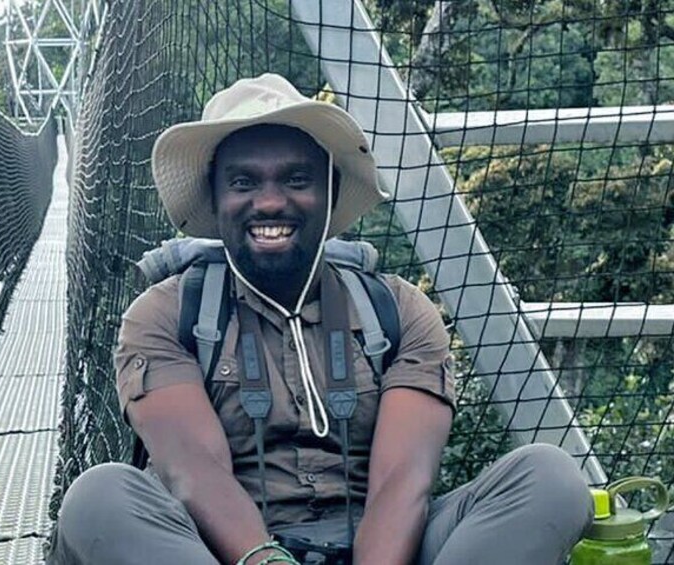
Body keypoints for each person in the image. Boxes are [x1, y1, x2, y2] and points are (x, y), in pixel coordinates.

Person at [47, 74, 593, 565]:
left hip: (386, 545)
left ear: (329, 192)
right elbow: (195, 472)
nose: (269, 202)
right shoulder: (165, 314)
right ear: (214, 199)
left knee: (548, 477)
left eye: (296, 179)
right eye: (243, 182)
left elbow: (402, 482)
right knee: (99, 497)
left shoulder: (398, 310)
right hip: (225, 552)